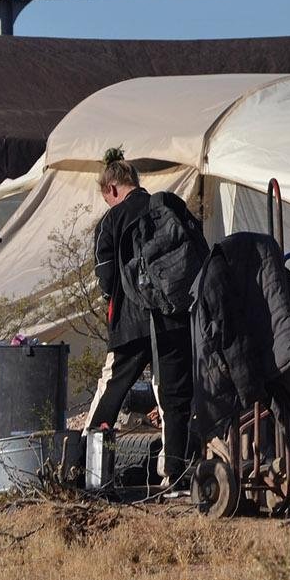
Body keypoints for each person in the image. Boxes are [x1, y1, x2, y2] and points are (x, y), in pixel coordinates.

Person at [83, 149, 196, 488]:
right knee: (172, 395)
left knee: (112, 389)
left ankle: (89, 471)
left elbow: (105, 277)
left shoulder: (112, 220)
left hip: (130, 323)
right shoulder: (165, 207)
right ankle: (174, 474)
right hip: (173, 319)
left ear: (112, 189)